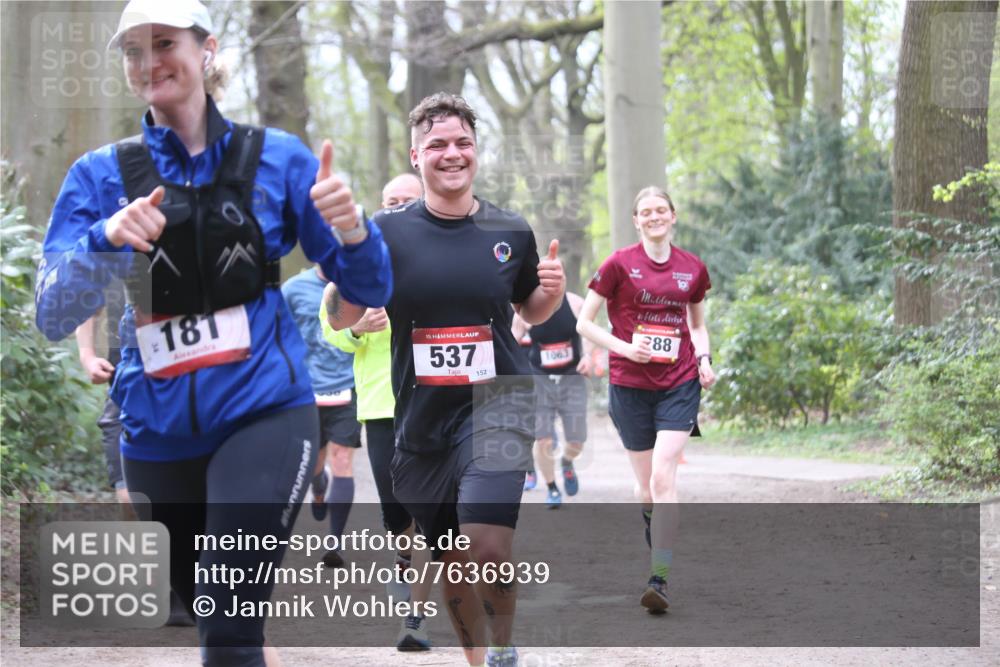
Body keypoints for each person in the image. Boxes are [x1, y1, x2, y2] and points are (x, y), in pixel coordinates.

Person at [34, 2, 392, 664]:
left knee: (228, 622)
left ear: (207, 49)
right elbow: (52, 312)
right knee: (215, 613)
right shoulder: (99, 175)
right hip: (155, 431)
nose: (149, 62)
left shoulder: (276, 158)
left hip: (264, 413)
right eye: (133, 51)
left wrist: (352, 231)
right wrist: (104, 239)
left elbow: (369, 289)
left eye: (164, 43)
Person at [325, 93, 564, 667]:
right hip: (422, 416)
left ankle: (503, 646)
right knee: (453, 556)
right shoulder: (386, 231)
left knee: (486, 542)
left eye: (463, 143)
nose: (452, 153)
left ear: (477, 150)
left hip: (498, 401)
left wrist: (550, 293)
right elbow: (339, 316)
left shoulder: (510, 228)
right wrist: (348, 260)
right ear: (416, 156)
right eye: (437, 144)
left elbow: (529, 309)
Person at [576, 186, 716, 614]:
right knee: (645, 488)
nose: (654, 217)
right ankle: (653, 528)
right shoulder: (618, 264)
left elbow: (697, 326)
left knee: (662, 477)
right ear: (636, 221)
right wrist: (623, 348)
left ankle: (659, 578)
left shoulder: (692, 268)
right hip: (629, 384)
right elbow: (584, 323)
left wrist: (705, 360)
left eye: (661, 210)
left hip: (679, 382)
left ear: (673, 216)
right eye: (646, 212)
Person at [324, 172, 435, 651]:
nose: (398, 206)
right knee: (395, 507)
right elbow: (331, 329)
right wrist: (357, 328)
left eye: (407, 199)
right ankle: (403, 558)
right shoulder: (361, 261)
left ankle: (418, 611)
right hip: (380, 404)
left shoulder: (439, 251)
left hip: (434, 399)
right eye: (391, 200)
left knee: (431, 507)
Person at [281, 266, 361, 568]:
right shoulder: (293, 289)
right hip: (307, 390)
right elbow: (278, 334)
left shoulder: (356, 284)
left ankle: (334, 543)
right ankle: (317, 485)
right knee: (314, 461)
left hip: (347, 385)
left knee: (342, 459)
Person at [512, 292, 595, 509]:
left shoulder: (576, 303)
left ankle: (567, 462)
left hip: (572, 377)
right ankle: (552, 488)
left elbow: (588, 333)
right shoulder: (526, 309)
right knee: (543, 439)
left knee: (577, 441)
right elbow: (511, 342)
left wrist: (587, 356)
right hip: (539, 378)